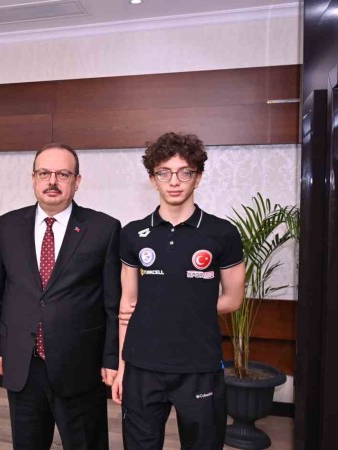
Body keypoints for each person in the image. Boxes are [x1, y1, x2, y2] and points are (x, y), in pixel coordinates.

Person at [112, 132, 246, 450]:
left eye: (184, 172)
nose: (174, 181)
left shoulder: (222, 233)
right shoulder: (133, 234)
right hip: (142, 366)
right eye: (164, 173)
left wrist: (184, 306)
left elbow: (233, 299)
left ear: (198, 178)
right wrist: (121, 368)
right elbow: (127, 305)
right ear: (153, 179)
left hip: (200, 366)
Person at [0, 143, 121, 450]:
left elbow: (113, 303)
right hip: (23, 362)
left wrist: (111, 358)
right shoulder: (6, 226)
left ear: (77, 181)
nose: (52, 181)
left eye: (63, 174)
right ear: (33, 178)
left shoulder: (104, 229)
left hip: (81, 364)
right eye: (44, 173)